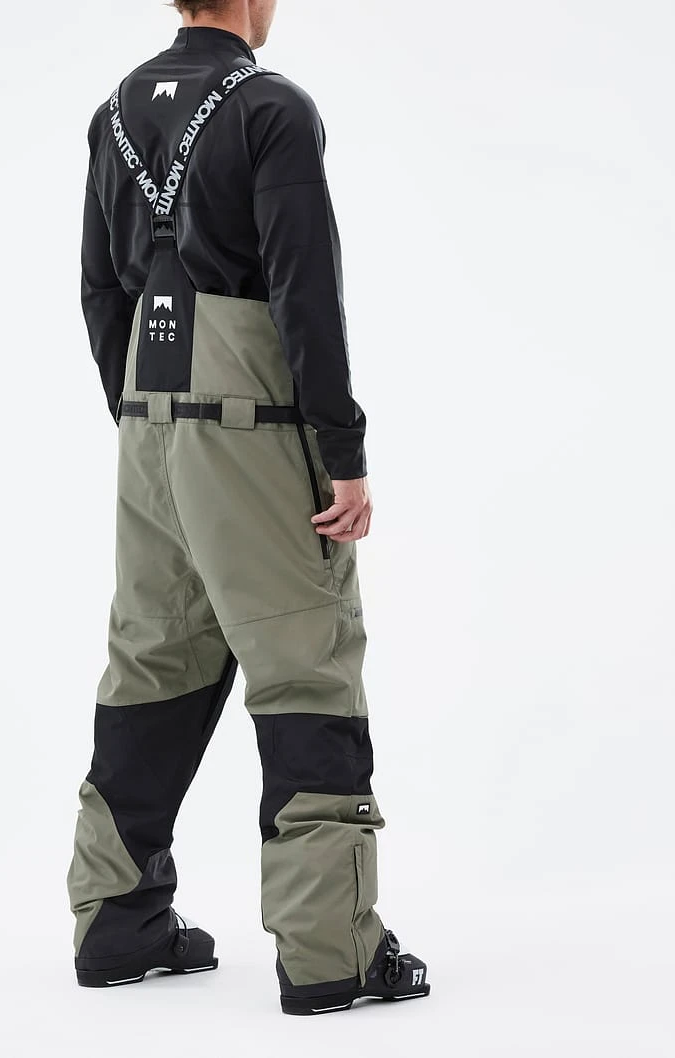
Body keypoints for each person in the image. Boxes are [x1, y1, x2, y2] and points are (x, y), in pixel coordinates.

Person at [67, 0, 430, 1016]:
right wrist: (341, 452)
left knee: (154, 658)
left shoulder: (116, 109)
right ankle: (330, 951)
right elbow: (305, 295)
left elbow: (99, 289)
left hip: (148, 423)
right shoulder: (271, 108)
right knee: (305, 658)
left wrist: (147, 418)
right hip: (254, 422)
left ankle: (117, 920)